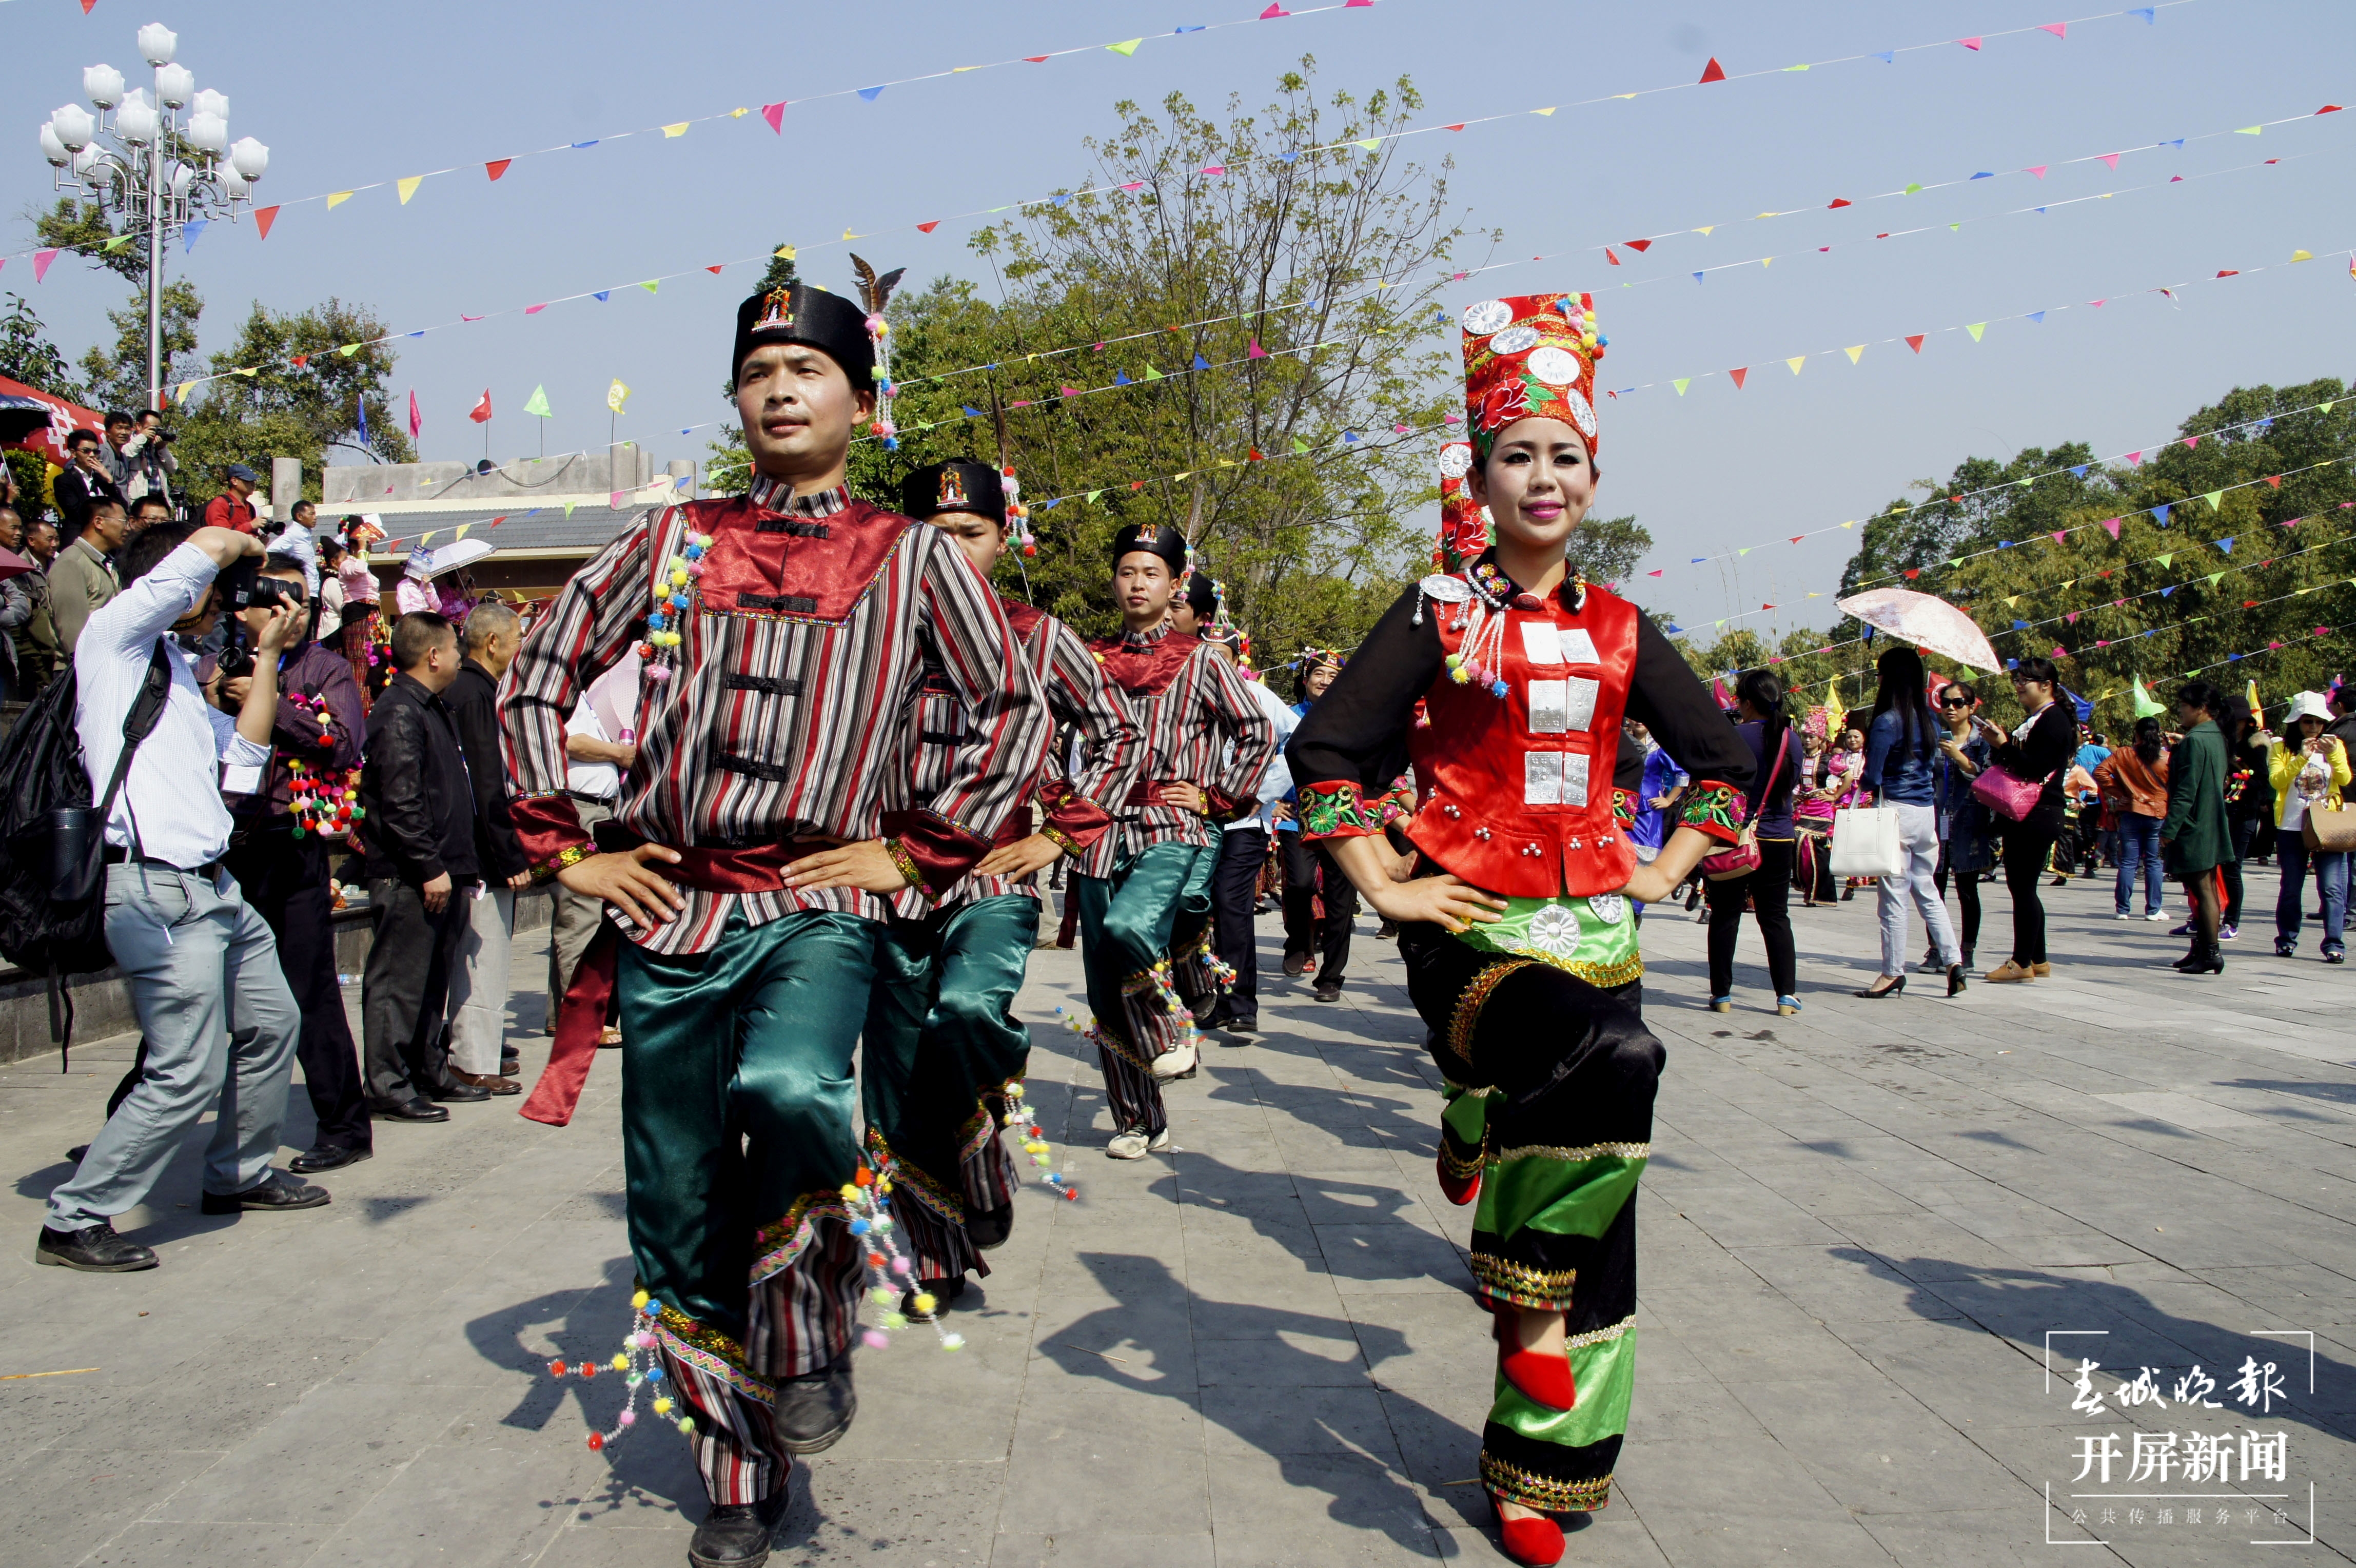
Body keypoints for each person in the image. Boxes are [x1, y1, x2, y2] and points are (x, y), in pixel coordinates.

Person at [499, 281, 1048, 1559]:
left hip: (816, 900)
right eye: (761, 370)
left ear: (862, 400)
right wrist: (561, 848)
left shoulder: (908, 554)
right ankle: (740, 1472)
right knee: (676, 1194)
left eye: (809, 367)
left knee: (798, 1085)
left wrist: (914, 847)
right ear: (737, 398)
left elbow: (1011, 708)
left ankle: (806, 1334)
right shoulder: (674, 539)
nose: (782, 389)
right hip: (671, 900)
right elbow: (534, 673)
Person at [1288, 292, 1754, 1566]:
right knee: (1618, 1066)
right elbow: (1326, 750)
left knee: (1610, 1185)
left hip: (1599, 926)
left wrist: (1669, 862)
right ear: (1480, 475)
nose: (1541, 477)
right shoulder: (1439, 611)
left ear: (1594, 475)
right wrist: (1383, 884)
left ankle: (1540, 1471)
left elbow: (1719, 757)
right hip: (1470, 929)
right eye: (1517, 454)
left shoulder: (1618, 625)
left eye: (1565, 455)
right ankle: (1520, 1287)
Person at [862, 460, 1140, 1308]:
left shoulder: (1037, 635)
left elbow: (1118, 736)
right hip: (884, 879)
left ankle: (982, 1132)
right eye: (934, 538)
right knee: (894, 1071)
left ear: (1001, 536)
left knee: (968, 1014)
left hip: (991, 877)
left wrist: (1061, 832)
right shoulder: (869, 636)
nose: (952, 552)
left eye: (970, 535)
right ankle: (935, 1253)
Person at [36, 522, 322, 1273]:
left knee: (271, 1022)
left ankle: (240, 1172)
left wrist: (266, 656)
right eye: (215, 591)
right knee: (187, 1067)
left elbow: (246, 761)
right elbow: (213, 538)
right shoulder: (114, 643)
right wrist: (251, 559)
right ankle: (76, 1217)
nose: (226, 604)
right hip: (154, 891)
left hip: (215, 889)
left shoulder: (175, 671)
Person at [1071, 527, 1275, 1156]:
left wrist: (1215, 794)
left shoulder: (1202, 656)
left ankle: (1172, 1016)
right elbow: (1048, 729)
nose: (1137, 583)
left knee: (1129, 927)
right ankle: (1139, 1118)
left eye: (1151, 573)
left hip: (1170, 821)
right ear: (1114, 580)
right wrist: (1061, 802)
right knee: (1105, 984)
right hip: (1097, 829)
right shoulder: (1087, 656)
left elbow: (1256, 731)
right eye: (1127, 571)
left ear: (1173, 584)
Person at [219, 544, 374, 1173]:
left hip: (288, 844)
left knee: (309, 989)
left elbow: (342, 743)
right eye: (267, 595)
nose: (281, 607)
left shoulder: (321, 668)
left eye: (292, 596)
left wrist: (268, 702)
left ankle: (343, 1125)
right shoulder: (211, 662)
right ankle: (133, 1124)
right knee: (189, 995)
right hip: (221, 844)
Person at [358, 610, 488, 1120]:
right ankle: (388, 1081)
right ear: (433, 655)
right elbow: (401, 799)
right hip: (412, 871)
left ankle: (427, 1066)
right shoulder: (398, 711)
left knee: (434, 978)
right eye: (455, 648)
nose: (459, 656)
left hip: (446, 866)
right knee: (399, 980)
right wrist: (427, 863)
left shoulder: (432, 707)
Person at [439, 601, 534, 1093]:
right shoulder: (474, 695)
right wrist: (509, 855)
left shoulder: (476, 690)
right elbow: (486, 783)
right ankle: (473, 1058)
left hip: (470, 848)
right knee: (484, 956)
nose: (521, 648)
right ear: (493, 642)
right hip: (479, 851)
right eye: (518, 638)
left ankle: (481, 1045)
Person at [1855, 648, 1965, 998]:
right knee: (1927, 889)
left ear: (1889, 678)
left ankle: (1892, 972)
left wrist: (1863, 782)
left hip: (1896, 812)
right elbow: (1933, 769)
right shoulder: (1931, 720)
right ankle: (1953, 961)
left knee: (1893, 897)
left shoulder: (1888, 721)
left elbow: (1873, 777)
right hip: (1925, 813)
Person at [544, 652, 638, 1043]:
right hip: (575, 805)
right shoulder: (557, 694)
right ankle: (581, 1019)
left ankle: (562, 1013)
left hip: (597, 808)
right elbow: (566, 740)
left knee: (584, 912)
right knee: (579, 912)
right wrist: (618, 753)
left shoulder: (586, 694)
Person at [1207, 651, 1298, 1034]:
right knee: (1196, 907)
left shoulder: (1257, 695)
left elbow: (1298, 740)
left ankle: (1241, 1002)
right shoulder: (1182, 689)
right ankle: (1209, 998)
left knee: (1231, 903)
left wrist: (1265, 792)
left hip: (1245, 820)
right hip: (1192, 819)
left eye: (1222, 655)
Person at [1705, 669, 1804, 1014]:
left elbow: (1717, 782)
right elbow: (1791, 784)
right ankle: (1786, 997)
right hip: (1778, 836)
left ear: (1747, 703)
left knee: (1725, 915)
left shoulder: (1734, 736)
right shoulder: (1791, 739)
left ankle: (1722, 995)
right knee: (1776, 917)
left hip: (1734, 836)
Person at [1973, 657, 2077, 983]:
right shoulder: (2038, 719)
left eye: (2025, 681)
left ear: (2046, 686)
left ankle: (2020, 962)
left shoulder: (2053, 720)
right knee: (2025, 888)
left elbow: (2035, 768)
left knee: (2023, 888)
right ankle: (2038, 958)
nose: (2018, 686)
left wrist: (2002, 745)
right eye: (2016, 680)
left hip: (2038, 813)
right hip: (2033, 813)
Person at [1281, 649, 1359, 999]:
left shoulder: (1354, 720)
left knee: (1342, 896)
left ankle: (1331, 977)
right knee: (1298, 884)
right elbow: (1267, 762)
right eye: (1319, 675)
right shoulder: (1286, 718)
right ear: (1305, 680)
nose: (1325, 681)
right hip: (1296, 816)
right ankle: (1299, 941)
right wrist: (1270, 802)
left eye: (1333, 676)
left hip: (1343, 817)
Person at [2266, 690, 2349, 963]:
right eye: (2307, 721)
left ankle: (2334, 943)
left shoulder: (2334, 746)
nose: (2313, 727)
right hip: (2292, 825)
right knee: (2291, 885)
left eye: (2318, 722)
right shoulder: (2282, 748)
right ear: (2296, 723)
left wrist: (2334, 755)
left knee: (2332, 887)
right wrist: (2301, 757)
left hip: (2327, 825)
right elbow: (2277, 782)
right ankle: (2287, 939)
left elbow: (2346, 779)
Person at [2162, 681, 2237, 974]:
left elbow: (2186, 790)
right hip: (2209, 820)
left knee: (2203, 889)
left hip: (2194, 824)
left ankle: (2210, 952)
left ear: (2202, 709)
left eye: (2185, 705)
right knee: (2202, 888)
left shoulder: (2196, 739)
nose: (2181, 710)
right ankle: (2202, 949)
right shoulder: (2215, 736)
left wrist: (2170, 829)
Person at [1930, 683, 1994, 971]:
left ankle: (1966, 951)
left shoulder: (1983, 742)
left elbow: (1988, 780)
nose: (1951, 708)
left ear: (1971, 707)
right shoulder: (1934, 739)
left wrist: (1960, 758)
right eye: (1946, 703)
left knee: (1967, 890)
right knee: (1934, 890)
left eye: (1958, 703)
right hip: (1936, 819)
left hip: (1969, 820)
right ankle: (1937, 949)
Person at [2093, 719, 2171, 922]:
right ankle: (2154, 910)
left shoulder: (2124, 754)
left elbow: (2100, 772)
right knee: (2154, 862)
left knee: (2128, 862)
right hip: (2157, 813)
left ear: (2136, 734)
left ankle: (2123, 909)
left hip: (2130, 811)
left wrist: (2118, 793)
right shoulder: (2166, 757)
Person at [46, 493, 129, 661]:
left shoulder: (105, 562)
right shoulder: (72, 563)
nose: (128, 528)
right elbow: (73, 634)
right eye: (123, 522)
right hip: (83, 668)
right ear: (99, 522)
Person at [2218, 694, 2272, 940]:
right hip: (2222, 810)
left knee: (2232, 867)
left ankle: (2232, 922)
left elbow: (2262, 779)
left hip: (2245, 813)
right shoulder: (2225, 742)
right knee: (2212, 866)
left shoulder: (2256, 744)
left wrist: (2240, 783)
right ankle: (2203, 917)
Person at [1792, 714, 1842, 906]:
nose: (1807, 740)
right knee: (1799, 842)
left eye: (1812, 737)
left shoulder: (1830, 760)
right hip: (1804, 807)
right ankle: (1807, 887)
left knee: (1817, 849)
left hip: (1823, 809)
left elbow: (1847, 778)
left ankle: (1820, 895)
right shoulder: (1800, 758)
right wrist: (1795, 795)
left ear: (1821, 739)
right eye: (1805, 736)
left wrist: (1834, 796)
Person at [13, 515, 60, 692]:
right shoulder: (20, 566)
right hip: (37, 640)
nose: (54, 544)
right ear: (32, 541)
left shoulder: (59, 564)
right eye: (50, 539)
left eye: (57, 539)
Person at [51, 427, 124, 526]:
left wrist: (110, 480)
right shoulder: (64, 480)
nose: (92, 455)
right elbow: (75, 513)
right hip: (78, 533)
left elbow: (122, 506)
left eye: (96, 452)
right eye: (86, 451)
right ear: (73, 453)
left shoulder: (101, 479)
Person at [201, 464, 261, 534]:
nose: (253, 484)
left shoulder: (250, 507)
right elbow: (222, 535)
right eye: (248, 480)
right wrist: (251, 525)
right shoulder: (220, 504)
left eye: (254, 481)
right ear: (234, 481)